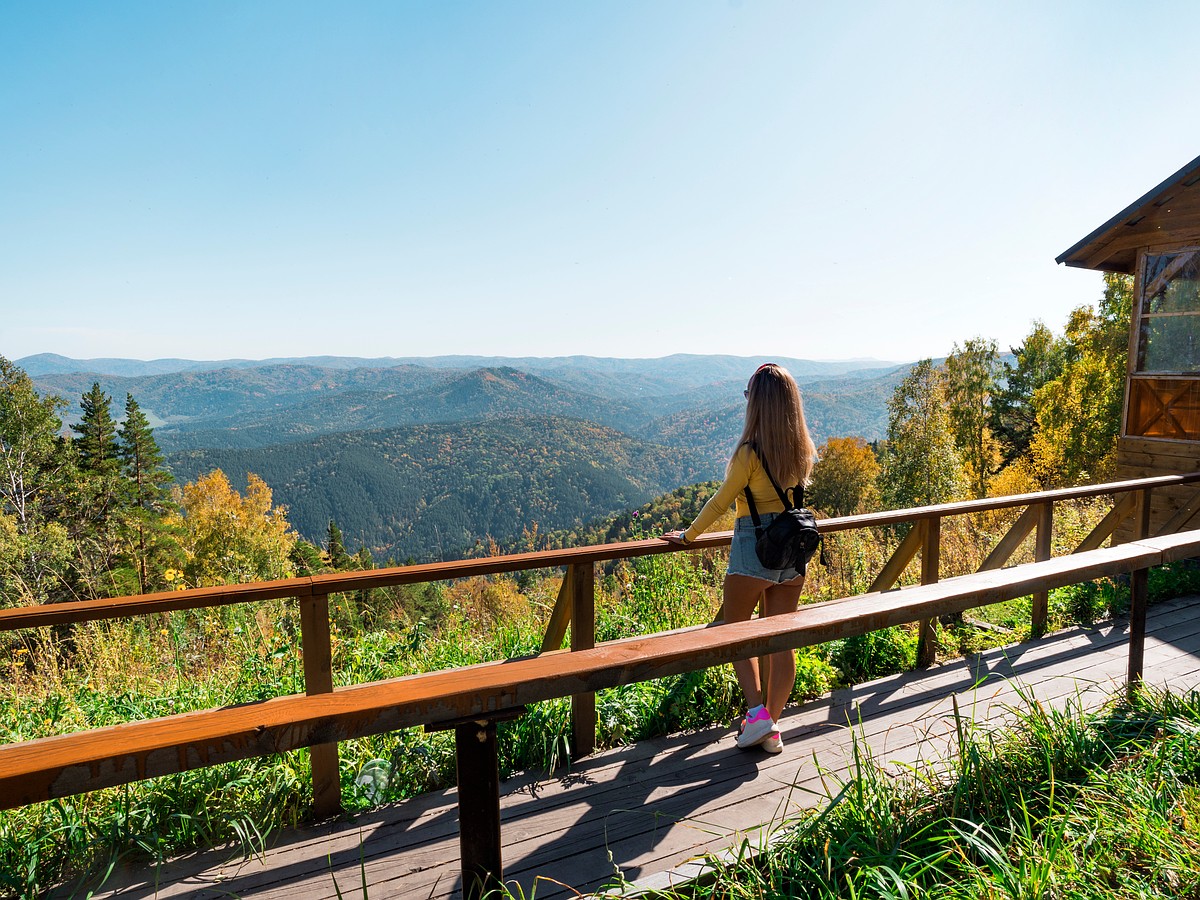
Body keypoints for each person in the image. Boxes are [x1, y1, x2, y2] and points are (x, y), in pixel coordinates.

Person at [663, 363, 817, 754]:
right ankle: (773, 726)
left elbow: (721, 501)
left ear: (759, 405)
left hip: (755, 545)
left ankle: (757, 716)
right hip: (792, 548)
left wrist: (687, 535)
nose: (746, 402)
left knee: (734, 632)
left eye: (748, 396)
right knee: (782, 642)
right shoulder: (802, 450)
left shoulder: (750, 452)